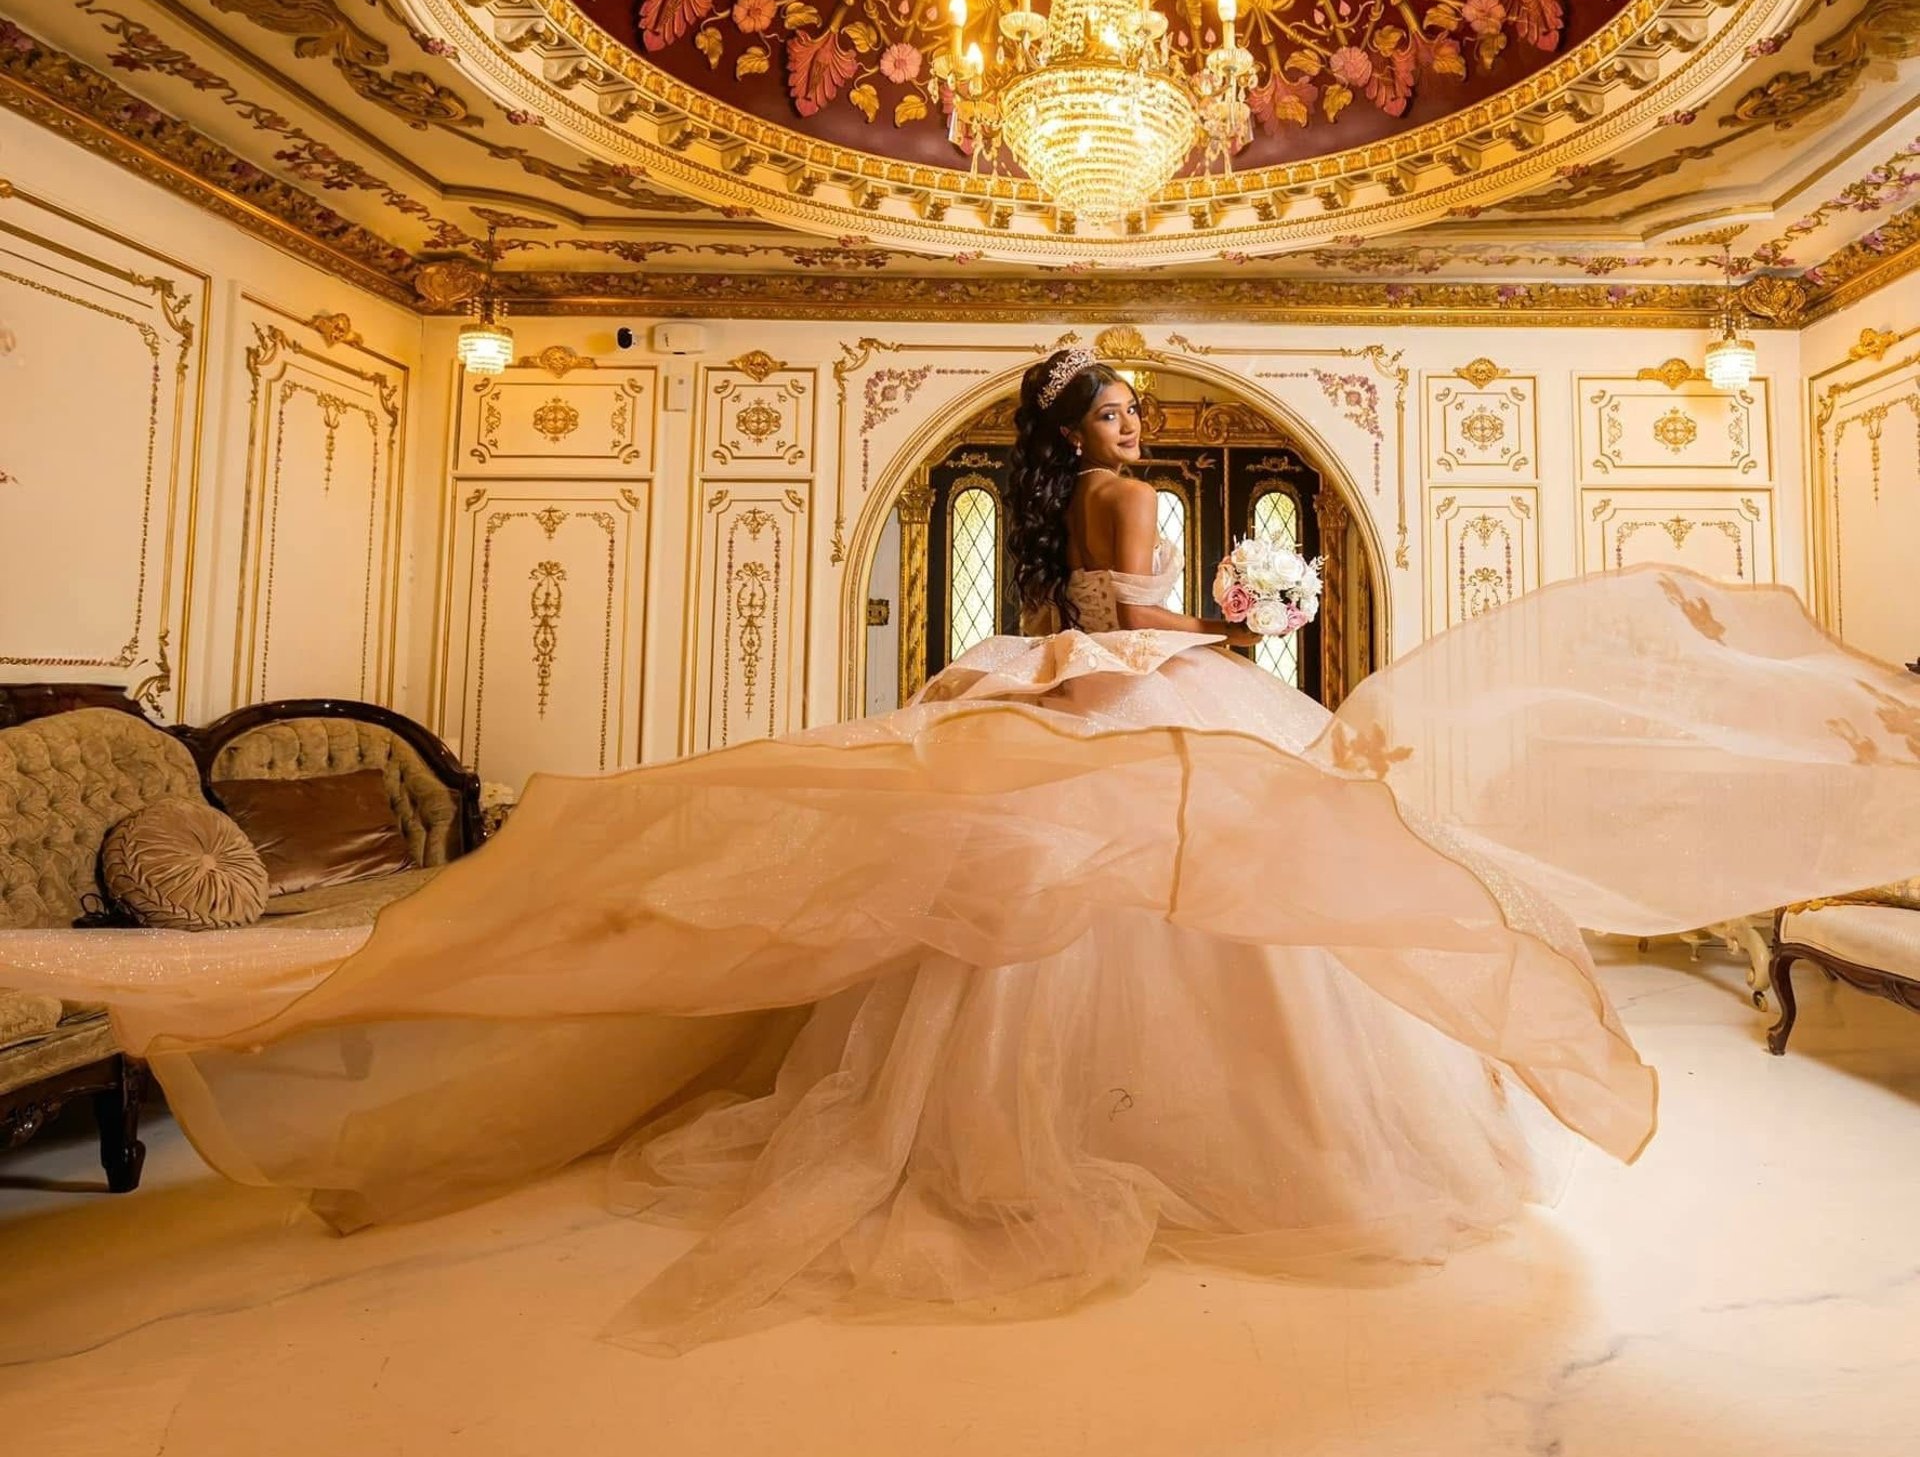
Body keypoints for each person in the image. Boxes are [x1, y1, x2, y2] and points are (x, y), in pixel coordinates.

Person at [2, 346, 1918, 1356]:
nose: (1138, 415)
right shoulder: (1137, 492)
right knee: (1197, 915)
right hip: (1149, 686)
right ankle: (1203, 1140)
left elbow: (1091, 613)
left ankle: (1015, 1125)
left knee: (1039, 922)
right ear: (1090, 427)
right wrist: (1233, 638)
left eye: (1130, 405)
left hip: (1083, 682)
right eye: (1117, 402)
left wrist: (1203, 634)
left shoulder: (1050, 502)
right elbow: (1142, 623)